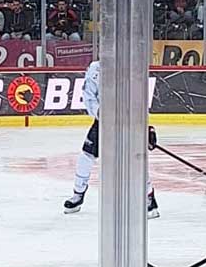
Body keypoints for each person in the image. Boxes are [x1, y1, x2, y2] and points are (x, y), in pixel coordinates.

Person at [65, 57, 158, 219]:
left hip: (128, 122)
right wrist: (99, 112)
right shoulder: (96, 68)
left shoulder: (131, 66)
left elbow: (139, 99)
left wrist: (146, 127)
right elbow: (89, 96)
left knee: (136, 160)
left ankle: (149, 199)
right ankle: (78, 194)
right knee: (85, 157)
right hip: (103, 123)